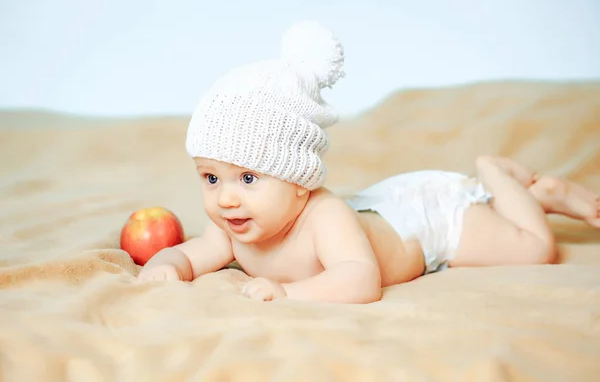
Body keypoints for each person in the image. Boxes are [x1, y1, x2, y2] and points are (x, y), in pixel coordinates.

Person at [136, 21, 600, 304]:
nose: (226, 197)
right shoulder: (233, 227)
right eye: (211, 177)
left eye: (249, 177)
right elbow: (187, 256)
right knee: (514, 233)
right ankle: (520, 196)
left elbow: (360, 279)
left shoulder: (323, 216)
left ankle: (505, 177)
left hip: (430, 219)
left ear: (300, 181)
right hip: (384, 209)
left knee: (534, 248)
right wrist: (167, 267)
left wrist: (290, 294)